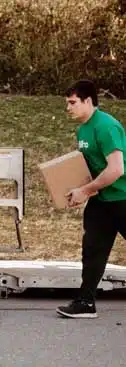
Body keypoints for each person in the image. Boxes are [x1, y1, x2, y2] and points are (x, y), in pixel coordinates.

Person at [56, 80, 126, 319]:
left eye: (73, 102)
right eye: (67, 103)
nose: (68, 108)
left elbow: (116, 169)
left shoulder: (106, 126)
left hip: (122, 199)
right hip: (101, 201)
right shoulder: (82, 129)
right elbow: (89, 167)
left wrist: (85, 190)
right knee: (92, 251)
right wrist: (74, 188)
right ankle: (85, 303)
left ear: (88, 101)